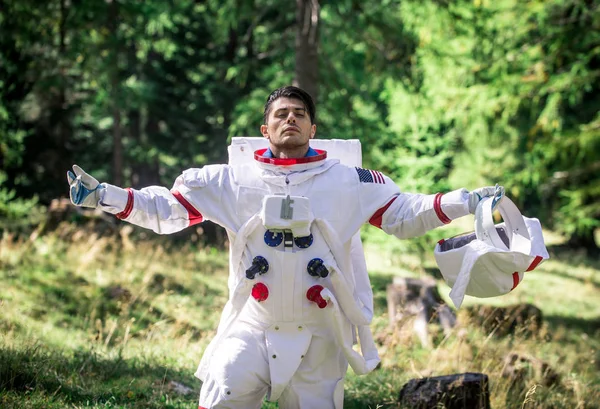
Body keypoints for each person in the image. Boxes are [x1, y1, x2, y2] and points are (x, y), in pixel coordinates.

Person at [67, 85, 502, 409]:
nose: (289, 119)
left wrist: (466, 200)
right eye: (280, 114)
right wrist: (105, 195)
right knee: (222, 390)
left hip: (322, 332)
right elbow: (168, 209)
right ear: (264, 129)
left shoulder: (350, 182)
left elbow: (407, 214)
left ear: (314, 128)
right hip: (253, 324)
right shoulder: (231, 181)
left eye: (299, 113)